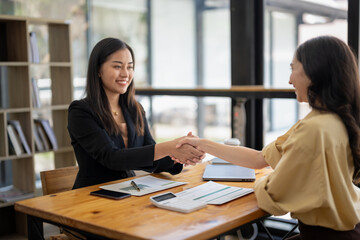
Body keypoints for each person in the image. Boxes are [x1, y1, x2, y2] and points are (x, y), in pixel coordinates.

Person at [176, 36, 360, 239]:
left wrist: (259, 183)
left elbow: (274, 196)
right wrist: (202, 143)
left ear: (314, 71)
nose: (290, 80)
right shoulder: (333, 118)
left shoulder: (314, 128)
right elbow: (259, 159)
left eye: (293, 69)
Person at [68, 37, 203, 189]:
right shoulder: (80, 111)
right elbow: (111, 158)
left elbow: (150, 155)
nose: (126, 74)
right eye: (118, 67)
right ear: (98, 69)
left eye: (130, 67)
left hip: (130, 192)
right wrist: (168, 147)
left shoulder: (135, 109)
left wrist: (178, 154)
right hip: (91, 196)